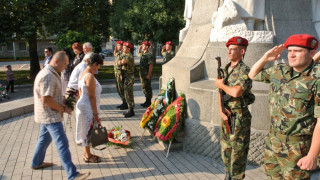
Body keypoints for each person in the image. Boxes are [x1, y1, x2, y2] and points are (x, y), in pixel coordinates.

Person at [248, 34, 320, 179]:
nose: (292, 55)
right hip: (273, 144)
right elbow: (252, 75)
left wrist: (312, 155)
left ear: (312, 53)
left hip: (298, 148)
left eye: (298, 51)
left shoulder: (316, 78)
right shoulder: (280, 71)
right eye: (290, 51)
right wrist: (265, 58)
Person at [31, 51, 90, 180]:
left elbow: (52, 96)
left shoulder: (52, 73)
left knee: (43, 139)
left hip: (47, 115)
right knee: (62, 144)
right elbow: (46, 99)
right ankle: (72, 174)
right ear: (57, 61)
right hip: (50, 116)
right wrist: (63, 108)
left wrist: (64, 100)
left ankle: (36, 162)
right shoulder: (48, 76)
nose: (66, 67)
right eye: (65, 64)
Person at [215, 36, 255, 180]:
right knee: (226, 149)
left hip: (239, 118)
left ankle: (236, 177)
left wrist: (221, 85)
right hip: (226, 115)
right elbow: (220, 93)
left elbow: (236, 92)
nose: (229, 52)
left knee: (238, 152)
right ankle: (227, 175)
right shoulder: (226, 68)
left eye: (233, 49)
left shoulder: (245, 70)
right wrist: (221, 111)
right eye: (228, 49)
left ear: (242, 51)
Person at [76, 53, 103, 163]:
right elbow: (91, 96)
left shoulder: (83, 73)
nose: (99, 68)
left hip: (83, 105)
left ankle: (86, 153)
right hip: (88, 107)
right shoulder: (90, 77)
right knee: (87, 130)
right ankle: (87, 156)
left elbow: (79, 91)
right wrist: (96, 114)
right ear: (95, 64)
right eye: (99, 65)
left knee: (85, 130)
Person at [119, 42, 135, 117]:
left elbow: (121, 62)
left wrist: (120, 62)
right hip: (126, 76)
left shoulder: (129, 56)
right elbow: (119, 61)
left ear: (128, 49)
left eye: (124, 47)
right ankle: (129, 109)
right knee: (126, 93)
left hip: (129, 77)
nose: (123, 48)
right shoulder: (125, 55)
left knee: (129, 94)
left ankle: (131, 110)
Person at [138, 41, 154, 107]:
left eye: (143, 45)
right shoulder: (142, 54)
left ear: (147, 47)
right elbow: (138, 53)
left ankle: (149, 101)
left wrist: (149, 74)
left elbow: (151, 65)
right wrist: (139, 48)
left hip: (146, 74)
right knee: (144, 87)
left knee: (148, 87)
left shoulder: (149, 55)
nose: (142, 46)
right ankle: (146, 101)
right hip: (142, 74)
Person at [113, 40, 126, 109]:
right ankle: (123, 101)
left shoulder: (123, 54)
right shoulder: (118, 53)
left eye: (119, 45)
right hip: (117, 73)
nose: (118, 47)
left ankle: (125, 103)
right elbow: (114, 54)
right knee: (118, 88)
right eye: (117, 45)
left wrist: (121, 74)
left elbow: (122, 65)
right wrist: (115, 49)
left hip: (120, 73)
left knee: (122, 88)